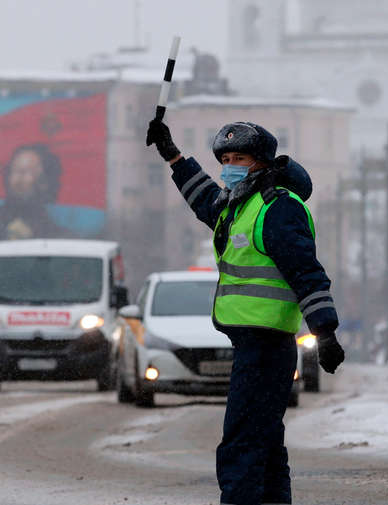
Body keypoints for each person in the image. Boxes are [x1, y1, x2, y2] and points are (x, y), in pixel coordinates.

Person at [146, 118, 345, 505]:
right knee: (265, 445)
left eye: (241, 158)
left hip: (267, 346)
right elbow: (204, 199)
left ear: (262, 164)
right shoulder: (238, 204)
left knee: (241, 445)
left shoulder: (277, 209)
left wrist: (325, 332)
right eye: (226, 158)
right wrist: (173, 155)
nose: (231, 165)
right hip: (252, 344)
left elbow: (307, 273)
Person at [0, 143, 64, 240]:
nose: (17, 179)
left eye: (25, 172)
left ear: (44, 182)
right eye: (14, 170)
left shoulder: (54, 234)